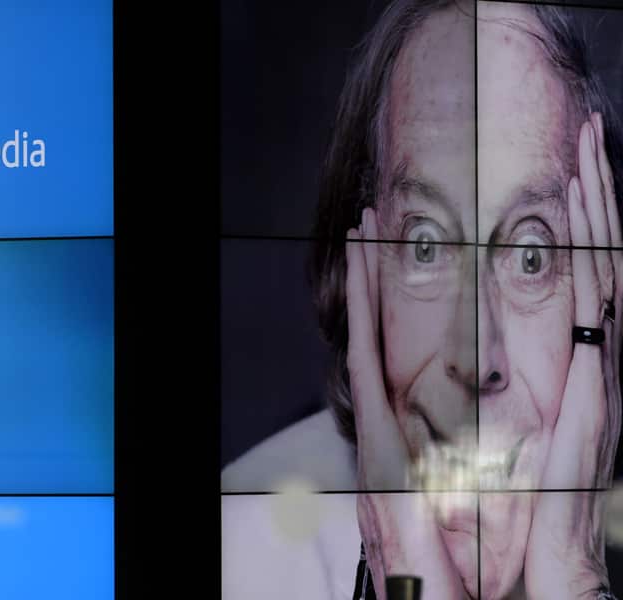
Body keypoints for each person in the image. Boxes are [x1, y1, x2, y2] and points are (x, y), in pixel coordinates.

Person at [223, 1, 623, 599]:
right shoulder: (241, 557)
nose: (474, 352)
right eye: (426, 245)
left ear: (607, 284)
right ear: (361, 275)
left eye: (531, 256)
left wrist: (575, 576)